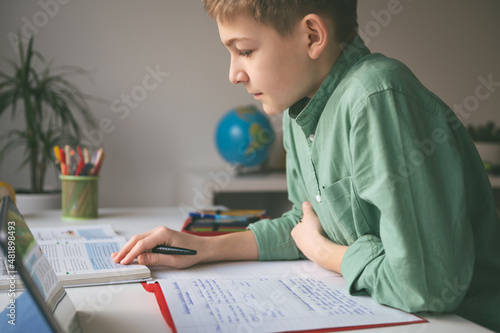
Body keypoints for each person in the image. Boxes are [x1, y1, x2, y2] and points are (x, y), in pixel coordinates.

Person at [112, 1, 500, 330]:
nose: (233, 74)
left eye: (244, 50)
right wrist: (205, 248)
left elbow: (427, 285)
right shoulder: (300, 110)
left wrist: (324, 252)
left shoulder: (376, 97)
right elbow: (306, 222)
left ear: (312, 36)